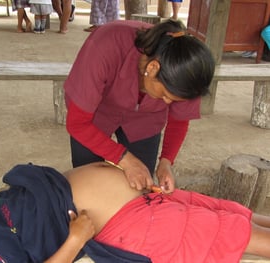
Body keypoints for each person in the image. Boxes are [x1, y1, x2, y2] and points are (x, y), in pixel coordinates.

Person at [0, 162, 270, 263]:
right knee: (237, 234)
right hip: (135, 225)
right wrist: (75, 240)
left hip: (146, 203)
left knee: (237, 216)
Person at [64, 19, 215, 193]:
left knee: (141, 184)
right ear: (152, 68)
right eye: (165, 95)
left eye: (174, 99)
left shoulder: (189, 73)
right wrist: (124, 159)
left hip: (145, 120)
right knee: (87, 180)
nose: (167, 103)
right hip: (97, 113)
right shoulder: (105, 45)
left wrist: (166, 162)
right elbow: (77, 124)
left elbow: (179, 121)